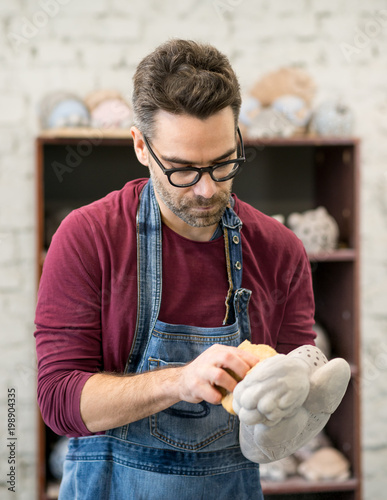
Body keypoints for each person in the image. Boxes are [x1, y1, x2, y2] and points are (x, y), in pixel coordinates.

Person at [34, 39, 350, 499]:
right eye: (182, 170)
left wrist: (293, 393)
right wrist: (179, 380)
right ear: (141, 146)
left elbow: (291, 396)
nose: (205, 190)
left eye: (222, 163)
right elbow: (59, 400)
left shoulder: (281, 251)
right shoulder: (88, 238)